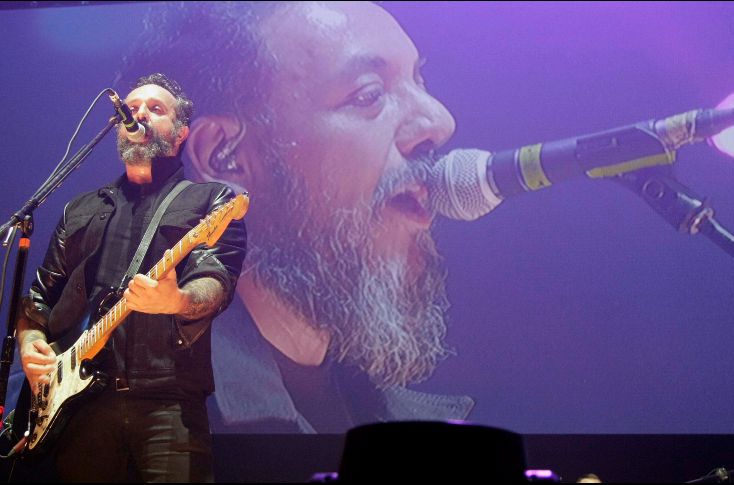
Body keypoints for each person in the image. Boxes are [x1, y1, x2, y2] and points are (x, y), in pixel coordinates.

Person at [120, 1, 474, 434]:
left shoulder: (395, 413)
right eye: (369, 95)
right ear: (225, 157)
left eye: (419, 79)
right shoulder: (130, 416)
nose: (439, 121)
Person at [16, 73, 247, 481]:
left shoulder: (211, 200)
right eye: (133, 107)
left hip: (169, 401)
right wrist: (30, 343)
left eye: (156, 109)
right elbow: (38, 300)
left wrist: (177, 301)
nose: (138, 114)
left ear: (181, 134)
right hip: (80, 408)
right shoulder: (81, 210)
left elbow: (216, 278)